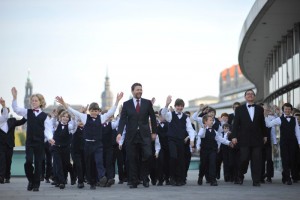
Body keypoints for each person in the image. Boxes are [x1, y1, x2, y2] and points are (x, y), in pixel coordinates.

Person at [55, 92, 123, 189]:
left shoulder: (102, 118)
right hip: (88, 144)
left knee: (99, 161)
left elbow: (111, 112)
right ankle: (92, 182)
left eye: (96, 111)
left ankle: (101, 176)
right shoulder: (85, 117)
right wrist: (64, 104)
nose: (94, 113)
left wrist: (117, 101)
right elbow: (74, 112)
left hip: (98, 144)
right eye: (92, 111)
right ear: (89, 111)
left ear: (98, 111)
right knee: (89, 164)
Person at [11, 87, 54, 191]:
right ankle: (31, 179)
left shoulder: (45, 116)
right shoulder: (27, 112)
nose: (34, 102)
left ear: (40, 102)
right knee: (28, 162)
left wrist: (50, 138)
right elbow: (16, 109)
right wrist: (15, 97)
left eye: (36, 100)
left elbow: (48, 130)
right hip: (30, 142)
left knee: (39, 164)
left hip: (40, 143)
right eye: (32, 101)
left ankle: (36, 184)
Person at [116, 83, 157, 189]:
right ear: (132, 91)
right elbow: (123, 120)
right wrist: (119, 133)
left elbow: (152, 118)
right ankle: (134, 180)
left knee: (147, 155)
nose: (139, 91)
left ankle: (144, 177)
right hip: (131, 135)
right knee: (132, 158)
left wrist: (154, 132)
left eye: (141, 89)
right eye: (137, 89)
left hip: (145, 135)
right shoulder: (126, 104)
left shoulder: (147, 103)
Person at [231, 89, 267, 187]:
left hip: (257, 138)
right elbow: (235, 125)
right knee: (244, 159)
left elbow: (262, 123)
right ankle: (240, 174)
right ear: (245, 97)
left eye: (252, 94)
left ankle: (256, 180)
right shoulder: (239, 109)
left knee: (257, 160)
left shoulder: (260, 109)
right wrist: (233, 136)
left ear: (254, 96)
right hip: (244, 139)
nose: (250, 95)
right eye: (248, 94)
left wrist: (265, 135)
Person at [161, 96, 195, 186]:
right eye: (178, 106)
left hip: (181, 141)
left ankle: (179, 178)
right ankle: (171, 177)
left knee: (181, 160)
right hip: (171, 140)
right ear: (175, 106)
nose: (179, 108)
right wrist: (167, 104)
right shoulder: (171, 114)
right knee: (173, 156)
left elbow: (190, 129)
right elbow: (163, 114)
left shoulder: (186, 118)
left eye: (181, 106)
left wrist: (192, 140)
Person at [265, 103, 300, 185]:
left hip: (293, 142)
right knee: (285, 160)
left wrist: (299, 143)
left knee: (292, 160)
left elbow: (297, 132)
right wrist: (266, 116)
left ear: (291, 110)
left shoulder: (294, 119)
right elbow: (269, 124)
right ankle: (287, 178)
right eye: (286, 109)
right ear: (283, 110)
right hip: (284, 142)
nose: (287, 110)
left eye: (289, 109)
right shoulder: (279, 119)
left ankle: (289, 176)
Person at [196, 115, 232, 186]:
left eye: (212, 120)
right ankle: (200, 177)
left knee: (213, 163)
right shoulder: (202, 130)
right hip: (204, 150)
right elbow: (200, 135)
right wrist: (203, 128)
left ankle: (213, 180)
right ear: (205, 122)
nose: (212, 121)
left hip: (212, 150)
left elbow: (220, 139)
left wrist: (229, 142)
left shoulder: (214, 131)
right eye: (210, 120)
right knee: (203, 165)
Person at [0, 98, 27, 184]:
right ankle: (1, 177)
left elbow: (22, 121)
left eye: (8, 112)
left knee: (8, 161)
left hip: (10, 145)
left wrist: (26, 114)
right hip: (1, 145)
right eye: (5, 112)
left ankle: (7, 176)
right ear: (2, 113)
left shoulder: (13, 121)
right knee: (2, 161)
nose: (7, 113)